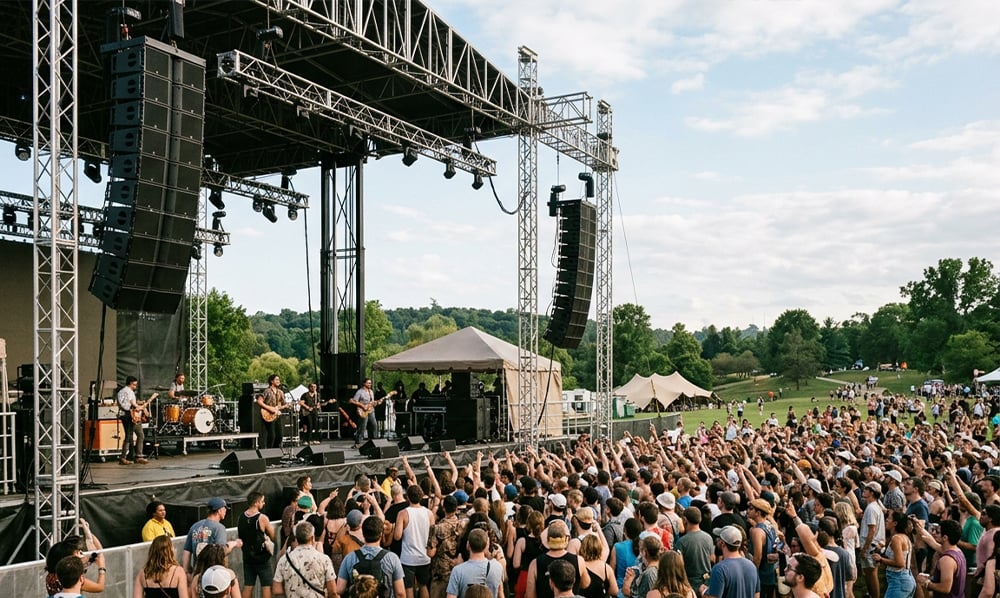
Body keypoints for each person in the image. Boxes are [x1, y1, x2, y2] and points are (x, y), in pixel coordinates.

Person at [336, 516, 406, 598]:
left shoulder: (349, 558)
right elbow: (400, 593)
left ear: (363, 533)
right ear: (381, 534)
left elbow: (340, 589)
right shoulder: (392, 558)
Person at [525, 521, 591, 598]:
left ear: (548, 539)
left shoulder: (535, 563)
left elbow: (530, 595)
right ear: (566, 539)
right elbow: (585, 584)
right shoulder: (578, 560)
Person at [273, 521, 338, 598]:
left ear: (296, 539)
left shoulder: (284, 560)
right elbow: (333, 592)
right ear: (312, 538)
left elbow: (276, 590)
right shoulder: (324, 559)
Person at [182, 497, 242, 573]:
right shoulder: (219, 528)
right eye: (224, 509)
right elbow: (222, 551)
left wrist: (187, 571)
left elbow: (186, 552)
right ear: (219, 510)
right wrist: (234, 543)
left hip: (197, 572)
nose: (225, 511)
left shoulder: (194, 527)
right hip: (213, 573)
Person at [395, 484, 434, 598]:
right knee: (423, 586)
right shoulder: (429, 513)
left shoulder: (403, 513)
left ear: (407, 497)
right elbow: (432, 536)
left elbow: (397, 536)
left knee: (409, 587)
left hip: (408, 558)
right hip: (425, 557)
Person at [45, 525, 107, 597]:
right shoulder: (70, 577)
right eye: (77, 553)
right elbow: (99, 587)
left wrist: (88, 532)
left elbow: (96, 553)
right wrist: (102, 568)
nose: (81, 556)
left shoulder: (52, 576)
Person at [702, 526, 759, 598]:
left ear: (722, 543)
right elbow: (756, 595)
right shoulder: (752, 566)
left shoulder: (719, 569)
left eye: (719, 539)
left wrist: (703, 592)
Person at [446, 528, 504, 598]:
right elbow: (500, 594)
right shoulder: (497, 567)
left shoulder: (457, 571)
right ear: (486, 546)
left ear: (468, 545)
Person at [916, 519, 966, 598]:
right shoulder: (957, 551)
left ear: (945, 537)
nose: (934, 533)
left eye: (938, 532)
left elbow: (945, 588)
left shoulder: (947, 559)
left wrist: (926, 583)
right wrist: (920, 529)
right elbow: (933, 543)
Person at [428, 495, 467, 598]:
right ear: (456, 508)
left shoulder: (437, 528)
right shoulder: (462, 526)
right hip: (457, 569)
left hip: (440, 572)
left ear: (444, 508)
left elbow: (430, 553)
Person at [238, 492, 275, 598]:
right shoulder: (262, 518)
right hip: (262, 557)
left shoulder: (240, 517)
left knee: (248, 585)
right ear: (256, 503)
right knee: (266, 585)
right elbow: (272, 535)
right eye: (262, 501)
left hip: (247, 557)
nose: (264, 503)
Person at [874, 512, 915, 598]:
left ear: (895, 523)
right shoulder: (905, 537)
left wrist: (881, 559)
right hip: (906, 579)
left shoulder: (896, 538)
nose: (886, 520)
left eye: (889, 518)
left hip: (899, 581)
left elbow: (900, 563)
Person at [118, 375, 148, 465]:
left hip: (134, 416)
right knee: (129, 436)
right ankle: (123, 457)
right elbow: (123, 404)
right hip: (127, 416)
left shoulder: (129, 392)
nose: (135, 386)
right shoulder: (123, 392)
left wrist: (138, 404)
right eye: (134, 385)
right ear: (131, 384)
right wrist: (134, 407)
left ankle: (138, 455)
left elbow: (131, 402)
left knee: (140, 434)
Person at [256, 374, 286, 449]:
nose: (278, 381)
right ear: (271, 381)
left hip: (277, 415)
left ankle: (275, 451)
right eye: (276, 380)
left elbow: (283, 404)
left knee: (280, 435)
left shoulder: (280, 392)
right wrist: (270, 408)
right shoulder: (267, 391)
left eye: (279, 380)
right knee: (272, 435)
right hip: (268, 414)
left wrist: (288, 405)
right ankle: (269, 451)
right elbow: (259, 401)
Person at [352, 378, 378, 448]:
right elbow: (353, 401)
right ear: (364, 383)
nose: (370, 384)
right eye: (368, 383)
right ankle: (357, 443)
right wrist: (362, 406)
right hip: (363, 411)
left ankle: (373, 441)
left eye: (370, 383)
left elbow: (372, 402)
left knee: (374, 425)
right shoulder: (360, 392)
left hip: (371, 410)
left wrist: (375, 403)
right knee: (362, 427)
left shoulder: (371, 392)